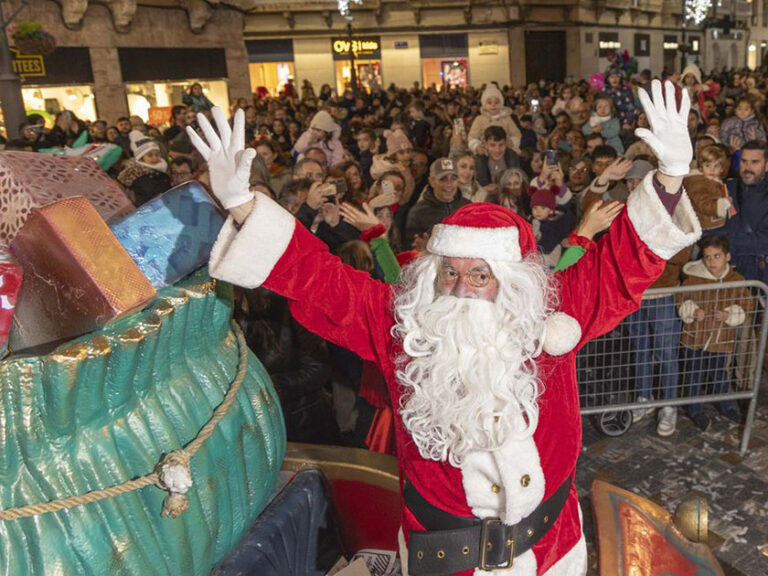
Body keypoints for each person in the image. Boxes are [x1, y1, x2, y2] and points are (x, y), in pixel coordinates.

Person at [187, 80, 701, 576]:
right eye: (449, 273)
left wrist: (673, 176)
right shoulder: (403, 326)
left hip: (554, 551)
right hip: (448, 564)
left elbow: (622, 263)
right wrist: (241, 204)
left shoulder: (552, 315)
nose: (461, 288)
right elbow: (320, 279)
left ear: (511, 281)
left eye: (480, 275)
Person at [677, 235, 752, 432]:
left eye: (716, 256)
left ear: (727, 257)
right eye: (707, 257)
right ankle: (694, 409)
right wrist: (692, 311)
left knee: (719, 374)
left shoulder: (736, 280)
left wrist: (729, 314)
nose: (711, 262)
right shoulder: (693, 278)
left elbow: (746, 305)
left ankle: (725, 405)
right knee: (694, 374)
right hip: (695, 338)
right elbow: (681, 299)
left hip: (721, 339)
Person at [724, 140, 768, 283]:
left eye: (755, 162)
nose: (747, 167)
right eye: (744, 161)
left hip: (763, 275)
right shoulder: (726, 188)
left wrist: (729, 242)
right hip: (729, 273)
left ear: (766, 165)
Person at [404, 158, 471, 249]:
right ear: (432, 181)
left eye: (453, 178)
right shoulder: (418, 213)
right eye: (443, 179)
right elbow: (411, 250)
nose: (449, 184)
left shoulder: (468, 207)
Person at [118, 131, 172, 206]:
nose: (155, 158)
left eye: (157, 154)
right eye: (150, 155)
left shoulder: (164, 171)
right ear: (141, 158)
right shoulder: (136, 176)